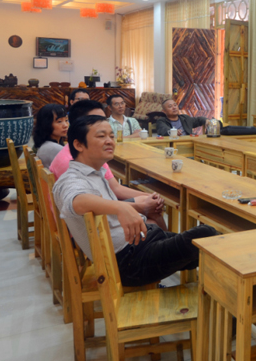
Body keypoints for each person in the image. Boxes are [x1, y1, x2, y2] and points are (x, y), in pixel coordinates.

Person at [52, 115, 218, 287]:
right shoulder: (71, 179)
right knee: (206, 235)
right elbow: (76, 201)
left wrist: (129, 208)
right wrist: (121, 208)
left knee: (211, 247)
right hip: (129, 261)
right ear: (79, 145)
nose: (110, 141)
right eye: (101, 136)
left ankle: (220, 294)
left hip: (141, 244)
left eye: (111, 136)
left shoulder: (96, 172)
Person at [50, 100, 167, 230]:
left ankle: (163, 238)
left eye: (111, 136)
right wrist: (133, 206)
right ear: (80, 125)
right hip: (90, 227)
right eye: (95, 120)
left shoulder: (92, 158)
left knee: (151, 205)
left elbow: (115, 188)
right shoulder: (71, 163)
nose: (102, 123)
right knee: (151, 210)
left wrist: (149, 198)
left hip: (101, 218)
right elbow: (77, 201)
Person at [33, 103, 68, 169]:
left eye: (66, 120)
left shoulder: (46, 144)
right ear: (46, 124)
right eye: (59, 121)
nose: (65, 125)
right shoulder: (54, 148)